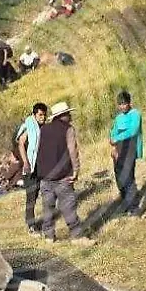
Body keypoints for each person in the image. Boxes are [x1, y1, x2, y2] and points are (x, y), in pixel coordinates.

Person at [35, 102, 94, 246]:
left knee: (48, 208)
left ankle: (49, 236)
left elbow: (38, 150)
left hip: (45, 176)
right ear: (63, 116)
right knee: (68, 206)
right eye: (68, 113)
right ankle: (77, 236)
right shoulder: (68, 129)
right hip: (62, 176)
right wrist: (76, 170)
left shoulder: (44, 129)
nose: (70, 115)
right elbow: (72, 151)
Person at [108, 90, 143, 217]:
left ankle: (134, 207)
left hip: (130, 150)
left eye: (124, 104)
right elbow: (112, 132)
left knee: (128, 178)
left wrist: (117, 138)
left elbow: (133, 131)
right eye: (120, 104)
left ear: (129, 103)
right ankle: (125, 203)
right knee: (119, 178)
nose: (122, 106)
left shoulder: (135, 114)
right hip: (118, 151)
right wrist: (112, 142)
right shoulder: (118, 118)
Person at [15, 103, 47, 235]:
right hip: (30, 167)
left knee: (40, 193)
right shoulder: (29, 126)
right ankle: (31, 225)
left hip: (41, 165)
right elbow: (21, 143)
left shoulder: (42, 127)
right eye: (40, 115)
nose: (43, 117)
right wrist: (26, 162)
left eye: (44, 115)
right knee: (31, 196)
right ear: (34, 115)